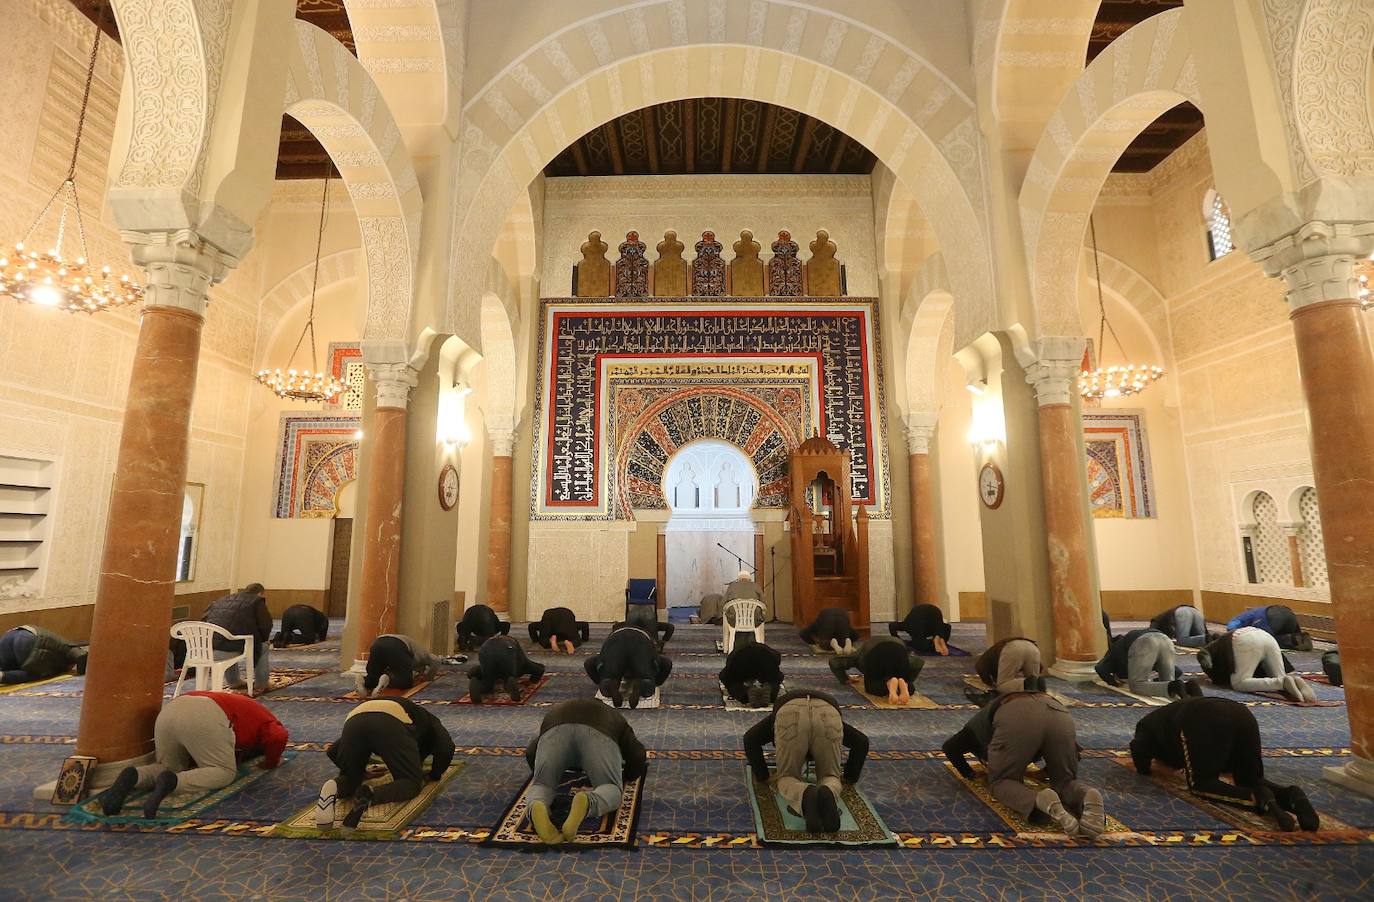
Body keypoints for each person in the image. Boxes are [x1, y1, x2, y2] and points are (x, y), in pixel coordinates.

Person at [1129, 696, 1318, 831]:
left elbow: (1138, 752)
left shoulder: (1145, 727)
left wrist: (1144, 769)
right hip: (1243, 714)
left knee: (1201, 784)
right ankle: (1292, 795)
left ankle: (1257, 798)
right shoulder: (1166, 715)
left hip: (1204, 720)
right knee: (1249, 779)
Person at [95, 691, 287, 819]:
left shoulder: (245, 705)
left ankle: (135, 775)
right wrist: (271, 762)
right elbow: (278, 736)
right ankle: (174, 782)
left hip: (171, 710)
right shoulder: (268, 719)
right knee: (224, 771)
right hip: (207, 715)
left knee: (167, 765)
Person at [943, 687, 1105, 837]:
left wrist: (970, 773)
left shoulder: (974, 728)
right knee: (1065, 781)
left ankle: (1039, 800)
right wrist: (1046, 772)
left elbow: (950, 747)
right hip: (1059, 712)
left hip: (1017, 714)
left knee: (1002, 781)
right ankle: (1085, 794)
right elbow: (1073, 752)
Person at [743, 688, 869, 833]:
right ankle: (827, 790)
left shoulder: (776, 716)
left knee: (787, 778)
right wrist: (849, 777)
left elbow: (750, 738)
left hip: (788, 713)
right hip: (829, 713)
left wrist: (762, 776)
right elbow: (861, 742)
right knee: (830, 776)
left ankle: (805, 794)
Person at [318, 696, 455, 829]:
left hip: (353, 721)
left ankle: (334, 787)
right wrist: (435, 774)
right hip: (389, 723)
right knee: (411, 783)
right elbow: (446, 748)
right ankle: (370, 795)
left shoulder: (413, 712)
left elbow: (332, 752)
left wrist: (361, 773)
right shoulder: (431, 722)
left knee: (352, 778)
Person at [524, 699, 648, 844]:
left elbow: (531, 752)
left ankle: (535, 806)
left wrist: (542, 774)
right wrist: (626, 777)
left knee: (542, 785)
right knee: (610, 786)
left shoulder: (557, 710)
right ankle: (589, 801)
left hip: (554, 731)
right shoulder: (614, 716)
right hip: (599, 735)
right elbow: (638, 754)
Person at [1197, 627, 1316, 702]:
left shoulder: (1213, 648)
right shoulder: (1223, 639)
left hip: (1244, 640)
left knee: (1239, 683)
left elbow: (1203, 656)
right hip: (1267, 636)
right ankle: (1294, 680)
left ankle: (1280, 683)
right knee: (1280, 674)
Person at [1094, 628, 1202, 699]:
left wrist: (1115, 683)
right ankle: (1189, 687)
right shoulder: (1124, 646)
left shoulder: (1114, 650)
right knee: (1168, 680)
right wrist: (1157, 682)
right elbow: (1177, 671)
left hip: (1144, 642)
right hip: (1166, 640)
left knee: (1137, 685)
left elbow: (1100, 668)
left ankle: (1173, 686)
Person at [201, 583, 272, 688]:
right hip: (227, 648)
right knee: (263, 647)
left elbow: (203, 620)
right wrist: (264, 639)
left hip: (207, 648)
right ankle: (262, 683)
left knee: (228, 638)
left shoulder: (222, 599)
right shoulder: (256, 601)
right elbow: (265, 625)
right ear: (260, 594)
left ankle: (233, 681)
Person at [584, 624, 672, 708]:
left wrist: (600, 680)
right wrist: (656, 681)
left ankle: (610, 684)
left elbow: (588, 663)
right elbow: (667, 663)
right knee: (646, 681)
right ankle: (642, 684)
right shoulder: (649, 637)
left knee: (608, 679)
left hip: (615, 644)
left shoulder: (617, 630)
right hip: (641, 644)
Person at [829, 635, 924, 705]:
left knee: (871, 687)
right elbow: (919, 663)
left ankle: (889, 683)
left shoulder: (860, 654)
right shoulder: (903, 651)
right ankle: (904, 684)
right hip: (900, 652)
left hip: (875, 655)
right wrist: (909, 678)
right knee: (902, 677)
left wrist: (844, 679)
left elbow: (834, 662)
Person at [466, 635, 546, 703]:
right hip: (509, 650)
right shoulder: (515, 647)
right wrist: (531, 681)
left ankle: (478, 686)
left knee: (487, 681)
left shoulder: (488, 643)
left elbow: (470, 673)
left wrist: (474, 674)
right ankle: (509, 682)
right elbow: (540, 669)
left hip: (486, 649)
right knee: (510, 674)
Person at [0, 625, 86, 684]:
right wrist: (81, 673)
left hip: (11, 636)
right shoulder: (67, 649)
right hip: (30, 642)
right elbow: (81, 655)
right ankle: (2, 676)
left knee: (7, 665)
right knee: (35, 674)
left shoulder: (55, 646)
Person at [358, 633, 438, 697]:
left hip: (377, 644)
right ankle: (387, 681)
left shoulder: (415, 650)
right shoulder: (424, 655)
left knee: (373, 676)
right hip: (397, 645)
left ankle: (363, 681)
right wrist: (429, 678)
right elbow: (436, 660)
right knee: (405, 682)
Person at [718, 635, 784, 707]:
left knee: (731, 681)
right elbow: (777, 658)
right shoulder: (766, 650)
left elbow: (725, 673)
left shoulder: (737, 652)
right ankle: (771, 692)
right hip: (766, 660)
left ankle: (745, 694)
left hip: (740, 662)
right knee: (775, 679)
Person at [1226, 604, 1312, 650]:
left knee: (1263, 639)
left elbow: (1232, 628)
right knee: (1281, 635)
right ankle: (1299, 639)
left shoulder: (1235, 621)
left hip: (1271, 616)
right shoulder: (1249, 614)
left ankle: (1292, 641)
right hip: (1288, 613)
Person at [975, 637, 1043, 694]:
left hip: (1012, 648)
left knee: (1003, 685)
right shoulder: (992, 658)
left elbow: (980, 669)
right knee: (1034, 681)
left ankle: (1026, 684)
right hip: (1032, 647)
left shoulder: (982, 662)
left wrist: (991, 684)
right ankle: (1040, 685)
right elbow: (1041, 667)